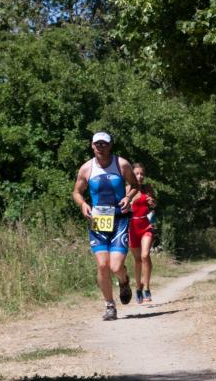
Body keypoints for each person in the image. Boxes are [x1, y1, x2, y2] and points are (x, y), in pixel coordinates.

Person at [73, 131, 139, 321]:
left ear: (110, 146)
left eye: (104, 144)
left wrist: (128, 197)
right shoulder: (86, 168)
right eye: (97, 144)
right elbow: (77, 192)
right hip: (98, 220)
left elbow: (135, 185)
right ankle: (110, 305)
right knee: (102, 264)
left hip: (119, 219)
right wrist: (83, 204)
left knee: (116, 266)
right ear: (92, 146)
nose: (100, 147)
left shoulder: (122, 164)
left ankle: (124, 281)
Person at [128, 163, 157, 304]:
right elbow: (121, 208)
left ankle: (147, 288)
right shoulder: (127, 189)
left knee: (145, 255)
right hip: (132, 228)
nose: (139, 176)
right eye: (137, 174)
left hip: (146, 226)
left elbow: (154, 206)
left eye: (142, 174)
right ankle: (138, 287)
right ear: (132, 175)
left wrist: (152, 202)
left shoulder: (147, 188)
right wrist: (132, 200)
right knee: (138, 260)